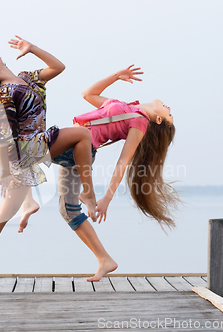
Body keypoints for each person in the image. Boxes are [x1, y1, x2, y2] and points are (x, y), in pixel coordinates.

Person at [0, 36, 97, 287]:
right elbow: (2, 137)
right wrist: (5, 171)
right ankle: (87, 193)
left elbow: (58, 67)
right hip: (28, 146)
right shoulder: (5, 93)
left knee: (6, 210)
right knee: (82, 134)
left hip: (33, 146)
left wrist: (32, 48)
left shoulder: (26, 78)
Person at [49, 65, 179, 281]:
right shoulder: (127, 107)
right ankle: (105, 260)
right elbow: (88, 94)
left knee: (23, 151)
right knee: (68, 211)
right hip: (76, 152)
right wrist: (117, 76)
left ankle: (75, 197)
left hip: (77, 149)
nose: (169, 107)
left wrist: (107, 198)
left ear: (159, 120)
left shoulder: (140, 122)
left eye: (170, 114)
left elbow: (122, 163)